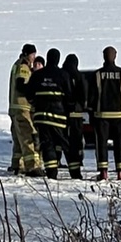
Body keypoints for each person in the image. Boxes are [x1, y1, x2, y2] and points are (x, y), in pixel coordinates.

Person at [25, 48, 73, 179]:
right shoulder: (63, 75)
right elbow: (69, 97)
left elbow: (28, 94)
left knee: (47, 144)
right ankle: (75, 171)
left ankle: (51, 172)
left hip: (41, 117)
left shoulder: (37, 75)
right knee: (64, 143)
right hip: (59, 117)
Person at [91, 46, 121, 180]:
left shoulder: (97, 74)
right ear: (115, 56)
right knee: (119, 143)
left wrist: (92, 111)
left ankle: (103, 172)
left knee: (101, 143)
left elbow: (92, 96)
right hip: (119, 115)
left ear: (103, 56)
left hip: (101, 115)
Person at [8, 44, 43, 176]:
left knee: (18, 138)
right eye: (33, 55)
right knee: (27, 136)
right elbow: (21, 85)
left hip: (15, 107)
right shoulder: (23, 66)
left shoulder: (16, 64)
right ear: (28, 54)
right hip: (22, 107)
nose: (34, 58)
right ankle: (32, 166)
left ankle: (17, 164)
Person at [61, 53, 88, 179]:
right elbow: (84, 94)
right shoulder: (80, 76)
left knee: (63, 140)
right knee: (76, 141)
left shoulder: (62, 75)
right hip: (77, 115)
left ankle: (57, 162)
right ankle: (76, 168)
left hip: (63, 113)